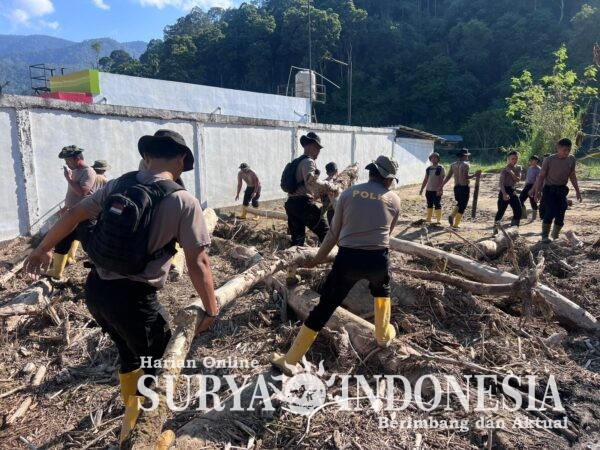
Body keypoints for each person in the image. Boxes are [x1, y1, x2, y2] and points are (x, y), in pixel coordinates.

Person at [24, 129, 219, 448]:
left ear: (147, 156)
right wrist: (211, 308)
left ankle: (130, 423)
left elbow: (73, 215)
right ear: (181, 159)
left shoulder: (119, 184)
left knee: (129, 355)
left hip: (96, 292)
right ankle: (144, 438)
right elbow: (198, 262)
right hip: (134, 301)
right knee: (159, 369)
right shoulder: (183, 200)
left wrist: (42, 248)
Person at [271, 155, 401, 375]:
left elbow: (332, 234)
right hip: (378, 259)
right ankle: (382, 336)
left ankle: (290, 360)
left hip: (348, 259)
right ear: (388, 179)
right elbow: (387, 234)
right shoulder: (394, 199)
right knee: (382, 290)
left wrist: (317, 259)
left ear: (371, 172)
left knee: (324, 308)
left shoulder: (348, 194)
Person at [47, 145, 97, 278]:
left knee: (90, 246)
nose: (66, 164)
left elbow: (82, 192)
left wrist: (68, 179)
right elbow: (73, 193)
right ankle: (57, 272)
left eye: (68, 160)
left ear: (77, 158)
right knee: (62, 241)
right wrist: (66, 207)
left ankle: (99, 272)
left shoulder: (88, 172)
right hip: (71, 214)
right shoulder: (75, 171)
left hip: (84, 216)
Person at [283, 132, 340, 247]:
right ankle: (335, 257)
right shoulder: (309, 161)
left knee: (297, 240)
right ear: (312, 146)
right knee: (326, 233)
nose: (318, 152)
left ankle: (294, 258)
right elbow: (312, 182)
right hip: (304, 205)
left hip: (291, 204)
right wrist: (330, 186)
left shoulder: (296, 162)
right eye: (318, 148)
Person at [533, 138, 582, 242]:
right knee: (550, 212)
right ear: (558, 148)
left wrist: (578, 191)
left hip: (561, 190)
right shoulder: (549, 160)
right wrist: (537, 192)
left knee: (561, 212)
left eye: (569, 150)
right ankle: (545, 236)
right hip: (549, 190)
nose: (567, 152)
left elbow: (572, 175)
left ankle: (555, 235)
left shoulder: (571, 159)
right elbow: (541, 177)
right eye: (564, 150)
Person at [442, 148, 480, 228]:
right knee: (463, 205)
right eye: (467, 156)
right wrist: (474, 175)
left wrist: (442, 185)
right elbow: (466, 177)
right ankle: (456, 223)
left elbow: (448, 176)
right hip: (464, 187)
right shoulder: (466, 165)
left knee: (459, 203)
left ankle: (452, 215)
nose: (467, 157)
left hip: (456, 187)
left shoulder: (453, 165)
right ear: (464, 156)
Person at [493, 151, 523, 232]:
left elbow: (517, 180)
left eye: (516, 159)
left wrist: (511, 172)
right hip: (504, 190)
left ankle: (514, 229)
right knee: (501, 211)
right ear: (508, 159)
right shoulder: (504, 169)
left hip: (512, 190)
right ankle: (495, 229)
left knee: (518, 211)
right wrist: (504, 194)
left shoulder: (518, 167)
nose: (514, 160)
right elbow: (501, 183)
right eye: (512, 159)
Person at [419, 152, 445, 224]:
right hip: (429, 190)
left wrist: (440, 189)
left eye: (435, 157)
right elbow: (425, 179)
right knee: (429, 204)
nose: (433, 159)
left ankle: (439, 220)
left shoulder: (440, 168)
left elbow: (442, 179)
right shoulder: (428, 169)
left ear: (438, 159)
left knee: (437, 204)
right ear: (430, 159)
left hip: (437, 190)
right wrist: (422, 189)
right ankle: (428, 218)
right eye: (432, 158)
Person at [519, 155, 541, 221]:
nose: (531, 161)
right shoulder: (530, 168)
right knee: (520, 200)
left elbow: (537, 181)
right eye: (530, 160)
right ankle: (523, 215)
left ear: (537, 161)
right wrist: (525, 186)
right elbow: (527, 179)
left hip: (534, 186)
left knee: (533, 201)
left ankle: (534, 217)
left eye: (533, 160)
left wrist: (535, 191)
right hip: (527, 186)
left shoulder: (539, 169)